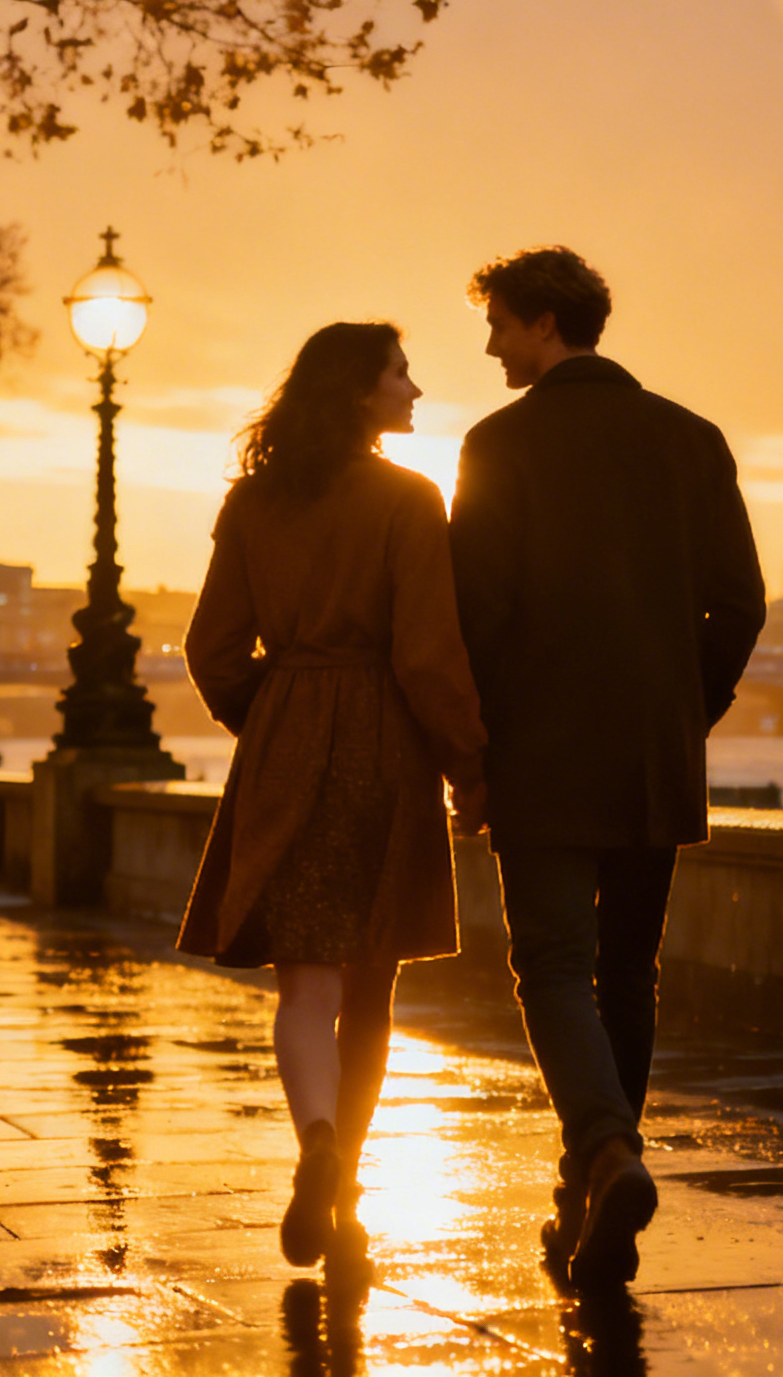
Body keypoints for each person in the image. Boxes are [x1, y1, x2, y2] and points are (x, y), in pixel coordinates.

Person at [452, 247, 765, 1288]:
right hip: (650, 756)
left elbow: (477, 616)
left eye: (497, 322)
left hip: (539, 755)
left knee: (548, 966)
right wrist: (687, 709)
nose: (490, 342)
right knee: (626, 975)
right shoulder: (691, 439)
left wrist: (475, 746)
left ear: (543, 323)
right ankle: (588, 1199)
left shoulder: (499, 445)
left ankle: (605, 1152)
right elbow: (740, 604)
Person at [179, 321, 490, 1272]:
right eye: (402, 372)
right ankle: (345, 1181)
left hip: (285, 729)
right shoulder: (407, 499)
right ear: (361, 391)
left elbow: (212, 651)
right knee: (372, 989)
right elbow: (428, 655)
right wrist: (469, 765)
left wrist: (270, 721)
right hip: (384, 743)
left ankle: (315, 1141)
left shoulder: (252, 503)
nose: (416, 389)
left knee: (304, 986)